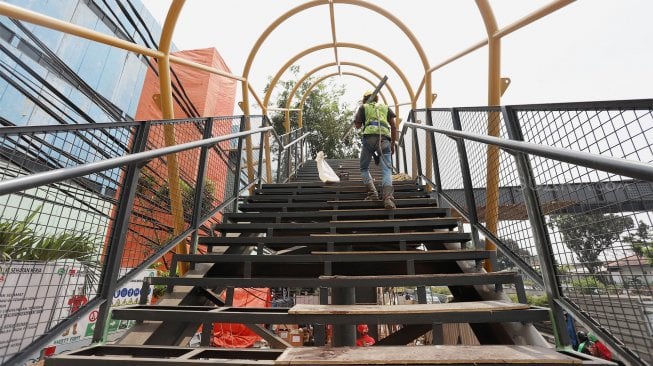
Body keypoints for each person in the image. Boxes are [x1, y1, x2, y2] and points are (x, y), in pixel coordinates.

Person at [354, 90, 398, 209]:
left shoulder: (363, 107)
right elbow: (393, 126)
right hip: (384, 140)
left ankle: (373, 194)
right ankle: (388, 198)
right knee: (387, 170)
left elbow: (357, 125)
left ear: (364, 99)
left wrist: (357, 118)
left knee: (364, 168)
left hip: (369, 139)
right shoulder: (385, 107)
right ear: (377, 98)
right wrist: (393, 144)